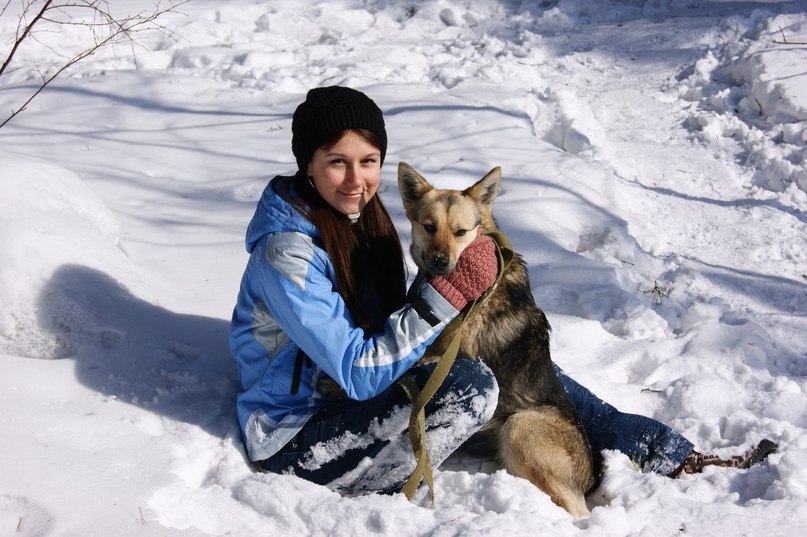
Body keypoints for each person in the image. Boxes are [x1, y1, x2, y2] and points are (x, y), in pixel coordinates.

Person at [229, 86, 776, 496]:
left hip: (354, 397)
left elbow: (386, 330)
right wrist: (447, 295)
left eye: (368, 161)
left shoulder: (355, 221)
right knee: (471, 383)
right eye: (337, 162)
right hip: (297, 436)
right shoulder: (288, 253)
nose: (356, 179)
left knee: (531, 373)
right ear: (307, 163)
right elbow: (357, 368)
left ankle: (665, 452)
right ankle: (383, 485)